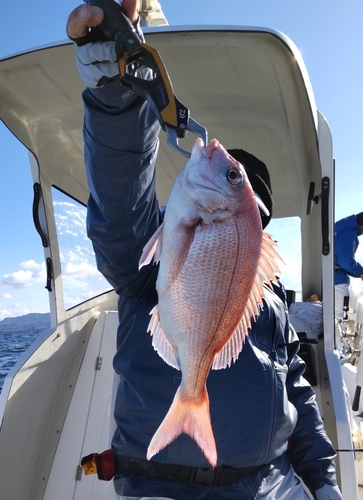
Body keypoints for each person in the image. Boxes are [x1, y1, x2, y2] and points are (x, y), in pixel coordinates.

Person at [67, 2, 342, 498]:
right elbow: (120, 214)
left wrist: (322, 481)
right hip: (161, 487)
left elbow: (296, 394)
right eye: (238, 183)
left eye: (251, 205)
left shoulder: (271, 302)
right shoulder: (148, 265)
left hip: (271, 485)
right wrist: (118, 97)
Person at [334, 212, 363, 319]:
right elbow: (345, 261)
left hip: (329, 279)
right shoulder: (348, 233)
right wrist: (361, 272)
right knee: (338, 319)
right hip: (337, 281)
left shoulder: (339, 227)